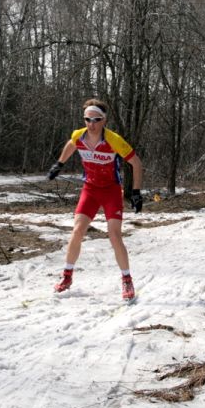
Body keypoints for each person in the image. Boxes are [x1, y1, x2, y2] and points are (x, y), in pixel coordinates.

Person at [46, 99, 144, 300]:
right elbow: (71, 144)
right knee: (77, 230)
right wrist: (59, 163)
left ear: (104, 120)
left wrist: (136, 192)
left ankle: (126, 280)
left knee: (114, 235)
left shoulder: (113, 140)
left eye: (96, 120)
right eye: (87, 119)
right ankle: (67, 276)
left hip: (111, 191)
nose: (91, 124)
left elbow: (136, 163)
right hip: (90, 190)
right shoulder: (78, 135)